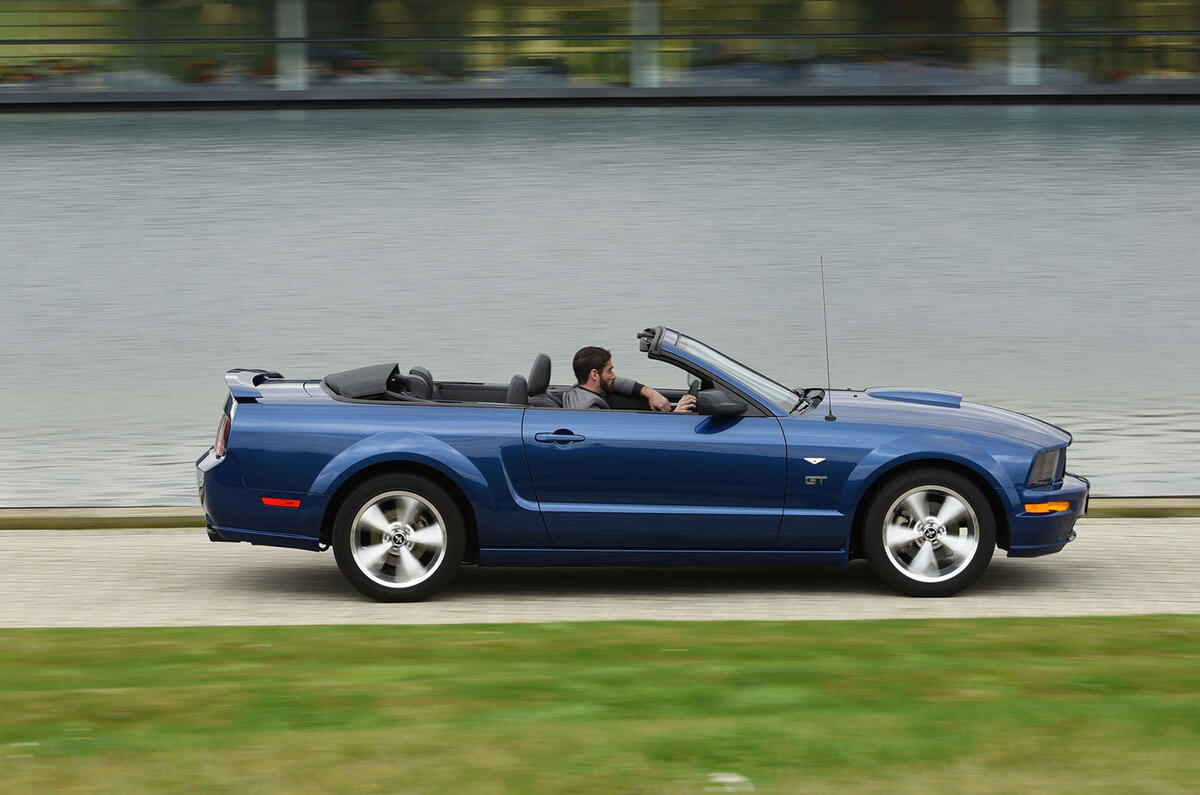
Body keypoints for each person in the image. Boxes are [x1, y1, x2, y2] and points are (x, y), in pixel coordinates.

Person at [563, 346, 696, 413]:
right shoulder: (589, 409)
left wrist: (651, 393)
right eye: (609, 370)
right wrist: (677, 416)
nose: (614, 376)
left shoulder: (579, 390)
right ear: (594, 375)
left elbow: (618, 383)